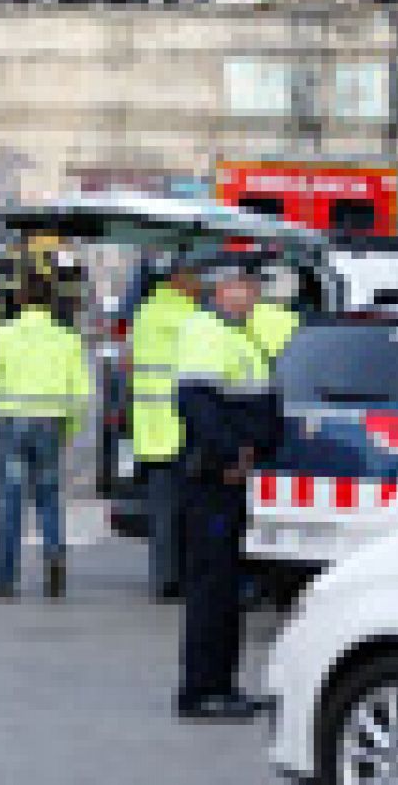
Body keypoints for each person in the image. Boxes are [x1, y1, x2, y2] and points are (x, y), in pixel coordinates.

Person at [173, 264, 283, 722]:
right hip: (215, 478)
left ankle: (223, 683)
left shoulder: (237, 333)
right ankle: (202, 690)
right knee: (211, 586)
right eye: (245, 285)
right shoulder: (205, 331)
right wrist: (232, 455)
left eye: (255, 286)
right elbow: (198, 405)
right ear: (222, 289)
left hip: (232, 476)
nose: (253, 293)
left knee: (227, 586)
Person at [0, 272, 92, 600]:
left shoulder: (4, 334)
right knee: (49, 496)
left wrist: (1, 393)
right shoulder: (67, 339)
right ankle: (53, 554)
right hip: (51, 426)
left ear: (22, 300)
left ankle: (6, 578)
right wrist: (70, 429)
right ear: (52, 303)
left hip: (14, 424)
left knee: (12, 501)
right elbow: (82, 394)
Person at [131, 256, 203, 601]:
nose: (200, 286)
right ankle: (181, 579)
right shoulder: (189, 318)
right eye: (195, 279)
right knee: (188, 513)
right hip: (181, 428)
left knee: (162, 512)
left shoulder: (145, 313)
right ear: (179, 280)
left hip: (151, 429)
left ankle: (162, 579)